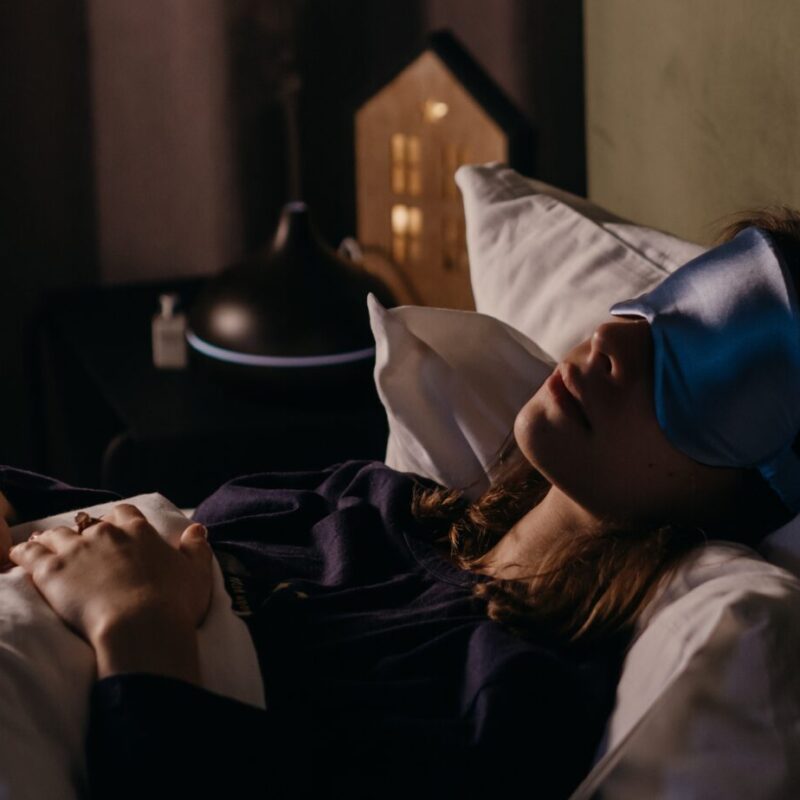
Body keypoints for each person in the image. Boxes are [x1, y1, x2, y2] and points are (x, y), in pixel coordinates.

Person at [2, 207, 800, 799]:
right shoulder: (374, 502)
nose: (612, 340)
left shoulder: (514, 701)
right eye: (653, 311)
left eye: (703, 370)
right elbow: (104, 526)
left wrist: (136, 624)